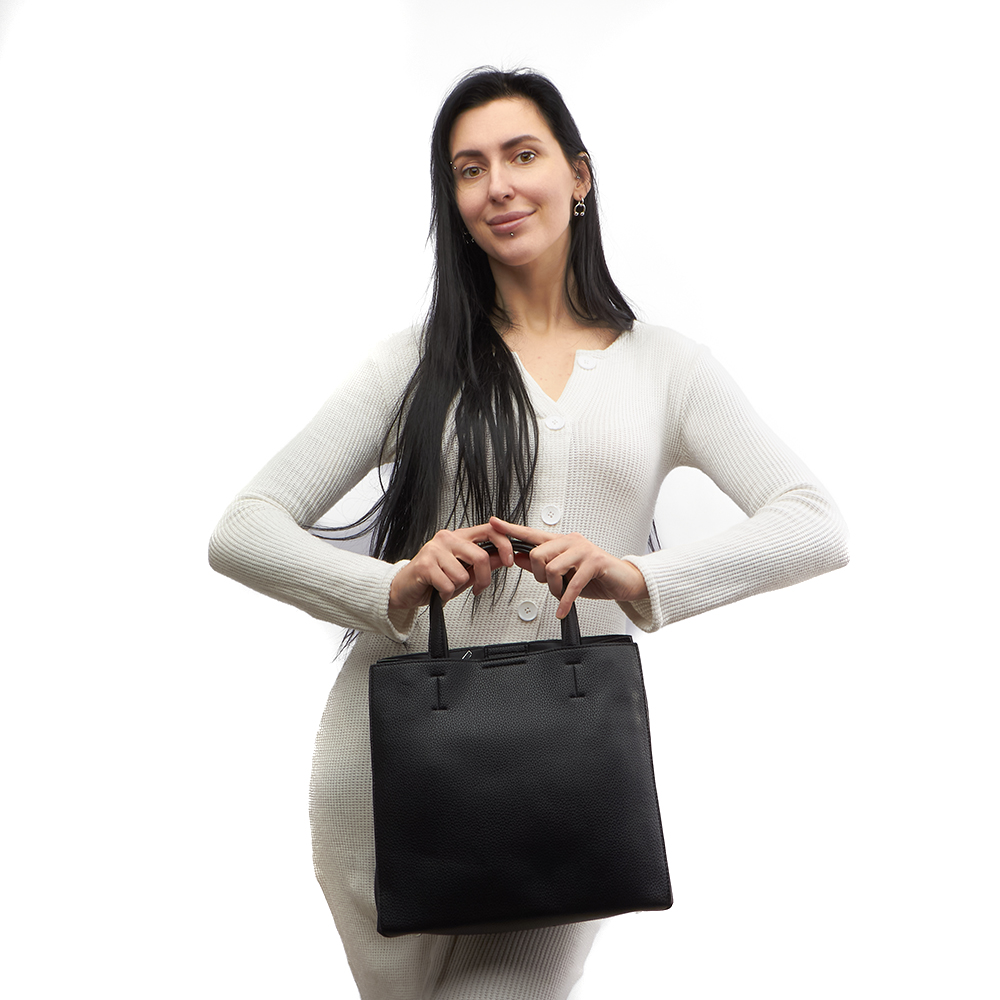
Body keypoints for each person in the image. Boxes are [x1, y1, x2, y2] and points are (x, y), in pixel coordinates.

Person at [209, 66, 849, 1000]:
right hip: (386, 772)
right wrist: (394, 585)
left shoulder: (667, 369)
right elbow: (243, 528)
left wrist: (634, 577)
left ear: (578, 175)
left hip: (566, 774)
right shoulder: (411, 365)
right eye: (470, 170)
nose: (498, 186)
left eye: (521, 156)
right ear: (455, 204)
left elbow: (814, 522)